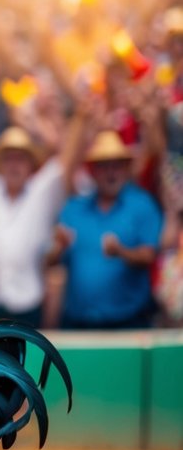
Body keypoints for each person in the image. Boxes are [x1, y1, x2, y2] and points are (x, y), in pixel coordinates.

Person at [0, 79, 84, 326]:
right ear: (0, 164)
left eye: (21, 158)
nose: (14, 164)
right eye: (9, 158)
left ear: (31, 164)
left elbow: (66, 162)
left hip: (27, 299)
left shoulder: (42, 191)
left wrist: (81, 119)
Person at [48, 131, 162, 329]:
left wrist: (121, 251)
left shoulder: (142, 204)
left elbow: (149, 256)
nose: (111, 173)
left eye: (116, 166)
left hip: (128, 324)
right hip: (78, 324)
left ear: (126, 169)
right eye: (103, 166)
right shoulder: (74, 209)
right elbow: (51, 263)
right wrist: (59, 247)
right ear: (92, 171)